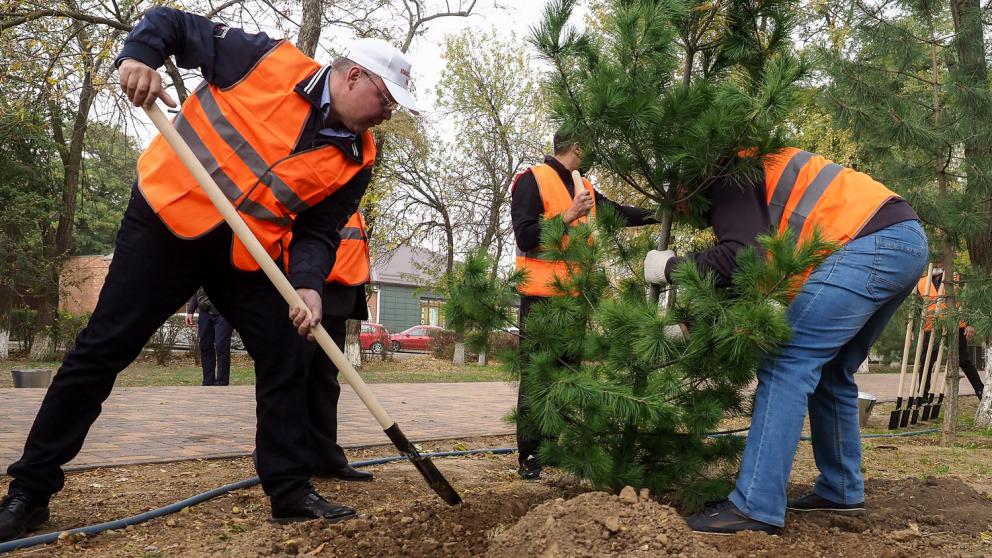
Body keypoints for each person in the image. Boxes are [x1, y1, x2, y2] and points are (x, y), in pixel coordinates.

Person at [0, 7, 420, 541]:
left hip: (247, 255)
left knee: (288, 354)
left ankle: (289, 490)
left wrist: (310, 285)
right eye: (386, 100)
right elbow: (168, 22)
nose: (386, 114)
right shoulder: (264, 58)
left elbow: (318, 229)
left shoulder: (357, 157)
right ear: (354, 75)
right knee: (102, 349)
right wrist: (139, 57)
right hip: (168, 220)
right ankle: (29, 492)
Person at [644, 147, 926, 535]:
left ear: (686, 185)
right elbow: (752, 275)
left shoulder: (729, 172)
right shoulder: (753, 175)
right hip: (900, 238)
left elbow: (742, 256)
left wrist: (671, 267)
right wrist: (690, 325)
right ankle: (841, 491)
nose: (681, 214)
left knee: (786, 361)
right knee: (832, 370)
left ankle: (754, 507)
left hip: (869, 243)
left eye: (675, 203)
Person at [510, 129, 656, 480]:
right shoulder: (531, 180)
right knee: (538, 379)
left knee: (568, 376)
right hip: (542, 300)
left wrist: (660, 213)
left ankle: (552, 449)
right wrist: (569, 215)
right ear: (577, 146)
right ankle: (530, 457)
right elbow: (525, 235)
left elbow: (618, 213)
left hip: (576, 300)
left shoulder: (584, 187)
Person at [306, 211, 375, 481]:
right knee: (295, 378)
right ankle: (282, 455)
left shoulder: (349, 194)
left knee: (324, 382)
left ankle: (325, 458)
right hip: (310, 291)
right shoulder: (323, 183)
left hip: (338, 293)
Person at [916, 269, 984, 399]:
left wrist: (970, 323)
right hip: (932, 326)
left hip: (956, 325)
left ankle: (980, 390)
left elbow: (968, 300)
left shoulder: (957, 278)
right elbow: (916, 308)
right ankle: (923, 395)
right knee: (926, 361)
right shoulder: (922, 282)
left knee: (963, 360)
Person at [186, 287, 233, 386]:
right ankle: (208, 382)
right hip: (204, 312)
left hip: (223, 313)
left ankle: (222, 381)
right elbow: (196, 290)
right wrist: (190, 311)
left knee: (221, 346)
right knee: (205, 346)